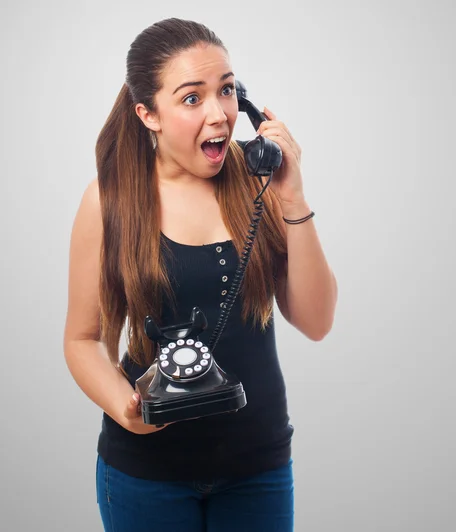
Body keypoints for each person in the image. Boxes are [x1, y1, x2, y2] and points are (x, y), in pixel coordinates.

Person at [63, 17, 337, 532]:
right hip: (146, 473)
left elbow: (318, 321)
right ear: (149, 114)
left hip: (257, 466)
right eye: (192, 98)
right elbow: (81, 339)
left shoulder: (259, 187)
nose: (219, 114)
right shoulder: (109, 201)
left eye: (228, 91)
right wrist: (128, 409)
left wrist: (293, 198)